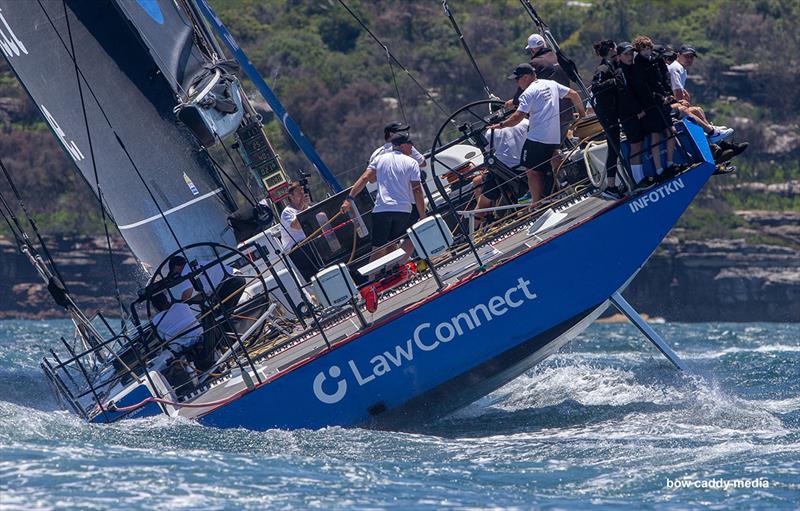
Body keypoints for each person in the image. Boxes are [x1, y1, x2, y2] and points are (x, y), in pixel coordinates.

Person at [487, 64, 586, 206]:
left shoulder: (528, 93)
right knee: (553, 156)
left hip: (537, 137)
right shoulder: (550, 84)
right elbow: (574, 95)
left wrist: (501, 125)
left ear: (526, 77)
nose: (517, 83)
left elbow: (518, 116)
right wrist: (582, 116)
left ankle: (536, 203)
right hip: (554, 136)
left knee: (531, 170)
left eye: (517, 79)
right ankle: (565, 184)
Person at [343, 132, 426, 262]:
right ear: (403, 146)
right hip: (403, 211)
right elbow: (417, 190)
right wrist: (423, 216)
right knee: (409, 237)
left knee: (379, 248)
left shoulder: (379, 159)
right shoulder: (412, 163)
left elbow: (365, 178)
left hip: (381, 211)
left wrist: (349, 200)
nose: (413, 148)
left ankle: (376, 278)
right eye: (411, 145)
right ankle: (399, 268)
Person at [632, 36, 676, 179]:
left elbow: (665, 76)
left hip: (663, 102)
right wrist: (658, 98)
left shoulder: (656, 59)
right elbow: (643, 87)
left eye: (648, 48)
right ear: (638, 51)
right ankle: (658, 169)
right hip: (651, 106)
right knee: (655, 136)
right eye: (643, 49)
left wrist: (668, 93)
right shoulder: (637, 65)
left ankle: (670, 163)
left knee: (671, 132)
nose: (646, 52)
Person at [471, 118, 530, 226]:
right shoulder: (525, 122)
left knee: (482, 203)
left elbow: (489, 153)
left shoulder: (490, 132)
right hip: (526, 168)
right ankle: (498, 216)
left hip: (503, 173)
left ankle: (474, 231)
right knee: (479, 180)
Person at [590, 39, 625, 197]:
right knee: (614, 148)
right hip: (608, 114)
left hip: (615, 111)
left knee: (616, 147)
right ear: (611, 49)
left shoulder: (614, 65)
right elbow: (596, 88)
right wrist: (613, 81)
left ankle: (618, 182)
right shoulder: (603, 69)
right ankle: (611, 186)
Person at [525, 33, 574, 141]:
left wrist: (515, 101)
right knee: (558, 146)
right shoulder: (559, 56)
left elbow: (527, 89)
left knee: (550, 151)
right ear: (545, 45)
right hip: (568, 111)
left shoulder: (534, 63)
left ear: (532, 50)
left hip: (551, 116)